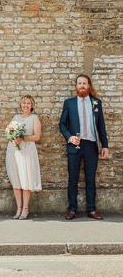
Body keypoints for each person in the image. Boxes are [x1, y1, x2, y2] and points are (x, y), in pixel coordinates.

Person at [59, 73, 110, 220]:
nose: (82, 85)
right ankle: (72, 209)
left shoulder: (96, 103)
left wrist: (105, 145)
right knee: (73, 178)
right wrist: (69, 137)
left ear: (89, 86)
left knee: (90, 179)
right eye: (79, 83)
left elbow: (101, 126)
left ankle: (92, 209)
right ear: (76, 86)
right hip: (75, 145)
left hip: (91, 146)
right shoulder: (69, 103)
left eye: (84, 83)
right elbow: (62, 124)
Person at [5, 94, 42, 219]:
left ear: (32, 106)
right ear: (21, 104)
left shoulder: (34, 118)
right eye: (24, 103)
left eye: (28, 103)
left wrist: (23, 138)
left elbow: (37, 137)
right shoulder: (15, 117)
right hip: (14, 151)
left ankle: (26, 209)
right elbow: (9, 132)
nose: (26, 105)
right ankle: (18, 208)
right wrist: (13, 138)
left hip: (27, 151)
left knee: (26, 179)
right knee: (16, 180)